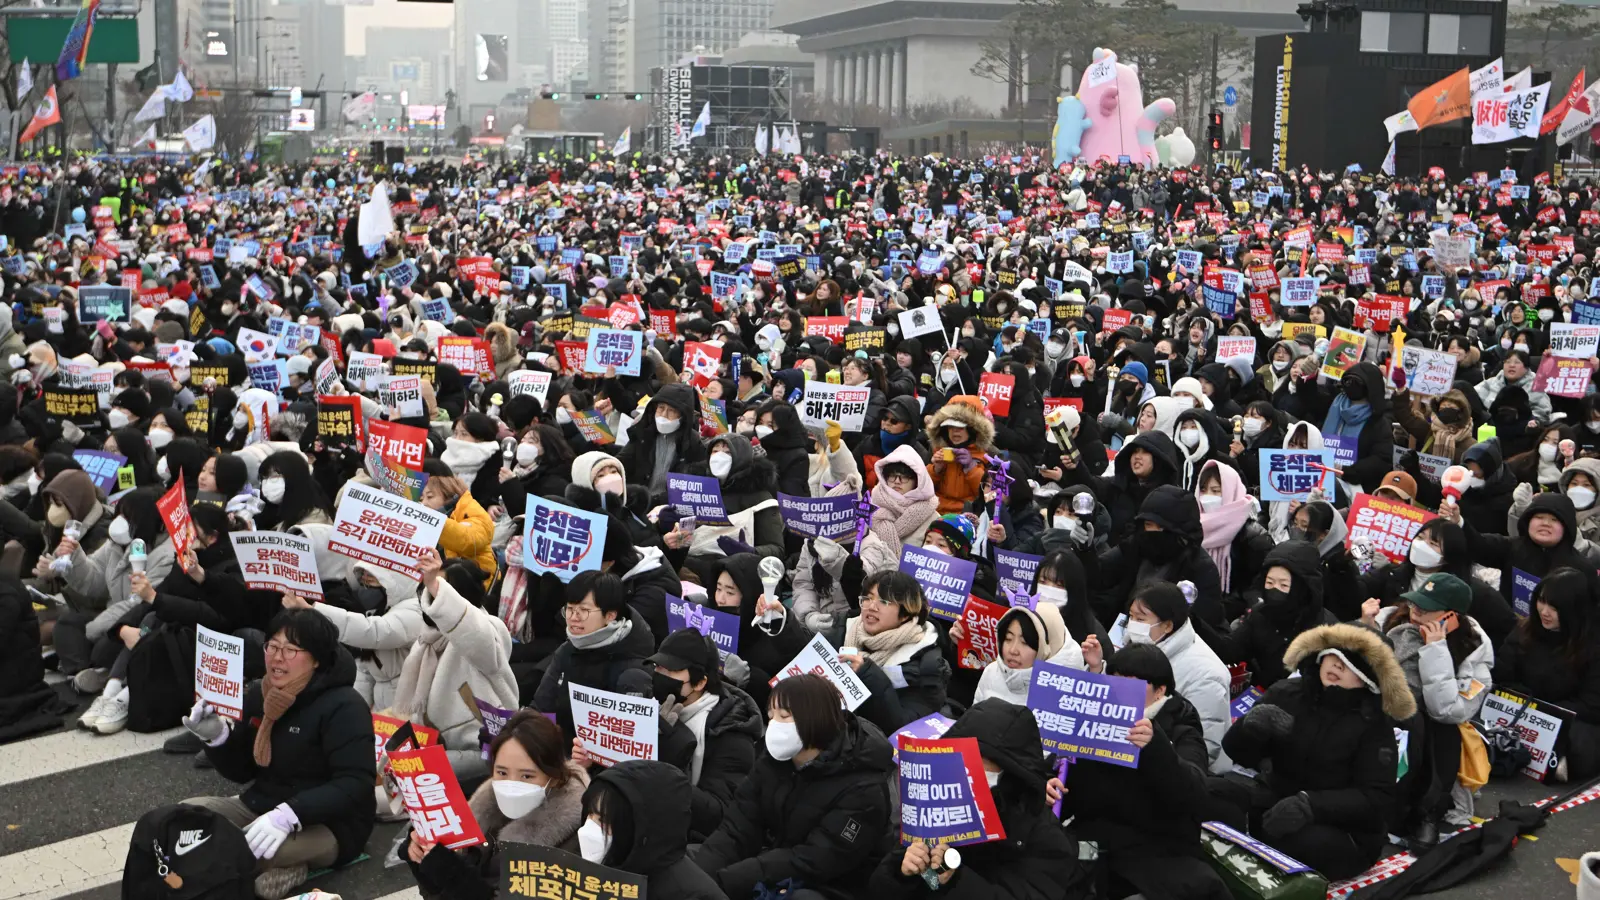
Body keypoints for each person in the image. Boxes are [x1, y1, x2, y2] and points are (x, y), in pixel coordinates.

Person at [178, 608, 375, 899]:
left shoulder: (345, 705)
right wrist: (217, 736)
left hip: (331, 824)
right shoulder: (262, 693)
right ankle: (282, 865)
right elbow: (243, 771)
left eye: (291, 649)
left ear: (317, 659)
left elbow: (355, 783)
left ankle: (295, 864)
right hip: (264, 805)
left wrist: (291, 813)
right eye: (272, 646)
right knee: (183, 818)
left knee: (244, 852)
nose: (277, 657)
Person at [1216, 623, 1415, 881]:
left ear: (1369, 678)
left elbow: (1376, 798)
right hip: (1275, 798)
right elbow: (1238, 754)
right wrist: (1250, 728)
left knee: (1295, 840)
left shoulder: (1375, 723)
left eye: (1351, 663)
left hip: (1344, 831)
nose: (1337, 665)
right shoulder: (1286, 692)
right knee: (1213, 795)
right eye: (1334, 655)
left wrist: (1311, 805)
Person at [693, 673, 894, 900]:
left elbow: (816, 859)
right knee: (689, 865)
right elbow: (738, 827)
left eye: (785, 716)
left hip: (833, 886)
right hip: (774, 863)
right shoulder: (774, 760)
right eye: (771, 716)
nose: (775, 725)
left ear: (815, 717)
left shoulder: (863, 787)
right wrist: (701, 877)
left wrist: (729, 880)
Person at [1061, 644, 1230, 900]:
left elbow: (1194, 793)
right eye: (1115, 682)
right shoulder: (1094, 720)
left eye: (1131, 685)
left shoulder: (1180, 726)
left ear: (1160, 691)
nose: (1120, 692)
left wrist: (1155, 747)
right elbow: (1073, 791)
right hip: (1094, 845)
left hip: (1159, 852)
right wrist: (1053, 785)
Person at [870, 698, 1085, 900]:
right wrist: (901, 873)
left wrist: (957, 880)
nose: (965, 782)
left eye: (979, 774)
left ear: (1011, 778)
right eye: (960, 768)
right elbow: (879, 890)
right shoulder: (934, 808)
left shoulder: (1047, 841)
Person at [406, 710, 591, 900]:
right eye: (502, 773)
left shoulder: (576, 841)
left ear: (553, 777)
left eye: (527, 776)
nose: (511, 783)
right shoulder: (481, 814)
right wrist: (424, 861)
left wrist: (453, 875)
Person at [1368, 573, 1494, 840]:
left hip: (1430, 728)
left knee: (1442, 731)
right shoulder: (1392, 623)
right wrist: (1364, 625)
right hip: (1381, 710)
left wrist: (1435, 651)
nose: (1415, 614)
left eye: (1425, 610)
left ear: (1451, 617)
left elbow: (1447, 710)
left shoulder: (1474, 655)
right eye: (1414, 605)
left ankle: (1427, 811)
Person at [382, 550, 517, 781]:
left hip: (485, 747)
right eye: (427, 588)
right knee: (387, 764)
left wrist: (436, 584)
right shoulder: (429, 637)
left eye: (439, 589)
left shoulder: (488, 627)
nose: (430, 594)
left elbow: (473, 634)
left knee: (413, 772)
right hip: (436, 741)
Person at [1088, 582, 1232, 773]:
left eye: (1140, 619)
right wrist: (1098, 669)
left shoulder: (1206, 674)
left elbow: (1204, 747)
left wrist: (1157, 751)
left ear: (1167, 625)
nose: (1132, 625)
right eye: (1131, 617)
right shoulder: (1135, 645)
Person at [648, 628, 764, 837]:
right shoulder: (651, 704)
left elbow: (718, 814)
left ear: (700, 682)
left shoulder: (732, 735)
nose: (659, 676)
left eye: (670, 671)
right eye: (658, 667)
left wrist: (668, 753)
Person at [1492, 567, 1600, 782]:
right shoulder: (1526, 629)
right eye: (1541, 601)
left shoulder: (1593, 646)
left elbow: (1592, 705)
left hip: (1569, 716)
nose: (1545, 611)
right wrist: (1523, 699)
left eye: (1555, 607)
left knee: (1584, 741)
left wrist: (1545, 711)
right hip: (1524, 706)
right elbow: (1501, 673)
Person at [1194, 542, 1337, 690]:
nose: (1275, 590)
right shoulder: (1261, 614)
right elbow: (1229, 650)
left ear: (1302, 589)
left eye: (1284, 585)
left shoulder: (1325, 630)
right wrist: (1193, 620)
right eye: (1270, 583)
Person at [580, 760, 730, 899]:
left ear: (639, 829)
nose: (588, 829)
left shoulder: (692, 896)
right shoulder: (605, 865)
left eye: (603, 820)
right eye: (589, 814)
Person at [533, 569, 654, 739]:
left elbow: (629, 742)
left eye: (584, 610)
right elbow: (541, 707)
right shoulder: (567, 650)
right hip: (557, 752)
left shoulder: (634, 669)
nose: (574, 617)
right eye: (569, 609)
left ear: (610, 616)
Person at [1361, 519, 1517, 650]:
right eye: (1421, 538)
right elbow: (1357, 591)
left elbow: (1508, 629)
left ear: (1450, 554)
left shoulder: (1477, 593)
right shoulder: (1393, 574)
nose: (1421, 545)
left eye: (1433, 543)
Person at [837, 570, 952, 734]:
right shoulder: (843, 629)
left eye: (884, 601)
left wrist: (867, 673)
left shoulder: (927, 666)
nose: (871, 607)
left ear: (905, 614)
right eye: (867, 598)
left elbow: (902, 728)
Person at [302, 561, 425, 710]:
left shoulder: (415, 610)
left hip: (408, 703)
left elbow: (375, 633)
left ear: (395, 580)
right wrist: (356, 711)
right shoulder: (384, 610)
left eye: (372, 577)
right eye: (363, 578)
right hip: (383, 706)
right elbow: (365, 669)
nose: (366, 584)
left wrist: (315, 611)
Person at [973, 602, 1083, 704]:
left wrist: (1096, 669)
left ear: (1048, 647)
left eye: (1024, 642)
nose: (1013, 650)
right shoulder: (991, 672)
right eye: (1008, 638)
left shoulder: (1067, 690)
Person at [860, 445, 942, 574]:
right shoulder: (868, 508)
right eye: (892, 476)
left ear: (917, 480)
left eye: (904, 477)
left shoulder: (933, 518)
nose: (897, 481)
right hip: (872, 581)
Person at [420, 461, 498, 587]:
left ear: (448, 492)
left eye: (430, 497)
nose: (424, 504)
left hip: (474, 591)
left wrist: (433, 521)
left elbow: (469, 540)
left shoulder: (470, 509)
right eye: (420, 499)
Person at [925, 396, 995, 514]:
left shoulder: (989, 455)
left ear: (973, 429)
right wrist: (935, 470)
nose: (955, 431)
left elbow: (991, 498)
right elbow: (920, 490)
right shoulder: (936, 450)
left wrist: (972, 468)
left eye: (961, 427)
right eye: (950, 426)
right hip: (936, 512)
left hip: (970, 515)